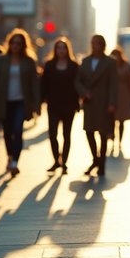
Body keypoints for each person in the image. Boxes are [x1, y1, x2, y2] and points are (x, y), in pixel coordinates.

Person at [0, 29, 40, 177]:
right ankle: (10, 156)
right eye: (13, 42)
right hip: (4, 102)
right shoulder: (2, 60)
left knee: (17, 130)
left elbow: (35, 84)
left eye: (19, 43)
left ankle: (15, 162)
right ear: (9, 43)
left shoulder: (29, 61)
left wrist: (37, 105)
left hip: (21, 102)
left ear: (23, 45)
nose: (16, 46)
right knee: (7, 132)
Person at [74, 34, 117, 176]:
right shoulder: (85, 62)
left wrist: (112, 102)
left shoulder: (110, 63)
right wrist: (84, 92)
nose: (94, 46)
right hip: (90, 103)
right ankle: (96, 159)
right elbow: (77, 81)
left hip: (104, 103)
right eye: (93, 43)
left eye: (97, 43)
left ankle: (101, 164)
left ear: (102, 45)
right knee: (89, 131)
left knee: (103, 134)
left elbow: (113, 85)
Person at [41, 37, 80, 174]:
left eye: (63, 47)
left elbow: (78, 86)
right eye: (58, 48)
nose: (61, 50)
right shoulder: (49, 65)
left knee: (66, 135)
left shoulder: (74, 66)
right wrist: (40, 102)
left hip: (69, 105)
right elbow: (43, 85)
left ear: (67, 49)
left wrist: (78, 103)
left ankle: (64, 162)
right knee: (52, 134)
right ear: (55, 50)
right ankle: (56, 160)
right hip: (53, 105)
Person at [110, 47, 130, 145]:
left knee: (121, 120)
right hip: (112, 94)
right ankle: (112, 137)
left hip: (123, 95)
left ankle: (120, 140)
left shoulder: (126, 65)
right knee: (111, 118)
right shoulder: (110, 65)